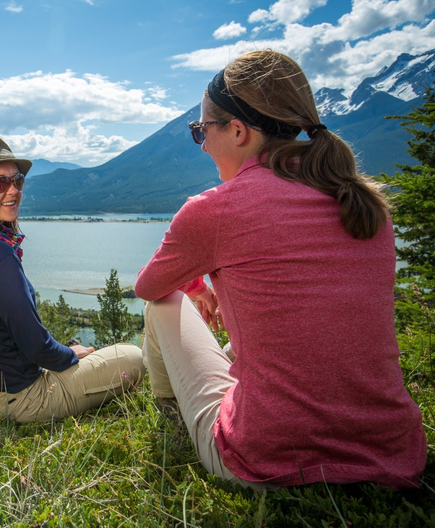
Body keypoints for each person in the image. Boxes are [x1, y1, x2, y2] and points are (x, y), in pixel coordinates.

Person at [135, 50, 426, 490]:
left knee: (162, 304)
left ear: (237, 131)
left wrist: (194, 282)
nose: (203, 144)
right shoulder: (364, 203)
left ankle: (173, 418)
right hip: (393, 454)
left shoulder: (215, 211)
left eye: (201, 131)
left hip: (266, 458)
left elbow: (149, 285)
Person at [0, 134, 144, 422]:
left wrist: (60, 352)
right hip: (12, 399)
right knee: (132, 357)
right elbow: (36, 347)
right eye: (0, 183)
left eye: (17, 180)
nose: (13, 191)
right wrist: (71, 355)